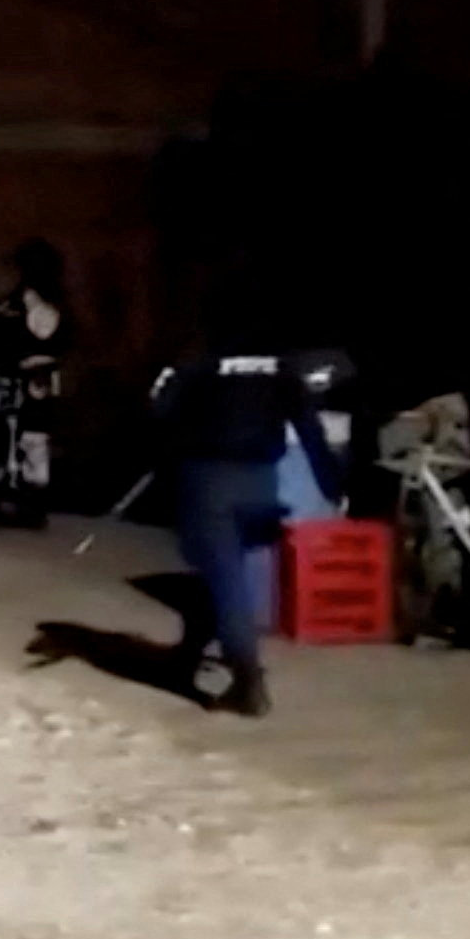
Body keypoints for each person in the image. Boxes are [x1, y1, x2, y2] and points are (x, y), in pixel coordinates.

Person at [151, 298, 341, 718]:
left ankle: (247, 681)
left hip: (209, 482)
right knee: (219, 573)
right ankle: (188, 655)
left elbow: (160, 407)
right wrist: (331, 483)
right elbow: (310, 428)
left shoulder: (200, 360)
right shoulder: (282, 367)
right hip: (262, 486)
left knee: (227, 579)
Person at [0, 238, 72, 528]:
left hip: (31, 383)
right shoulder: (18, 304)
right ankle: (15, 496)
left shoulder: (35, 305)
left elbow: (47, 343)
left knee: (29, 441)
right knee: (14, 439)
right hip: (13, 382)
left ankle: (25, 500)